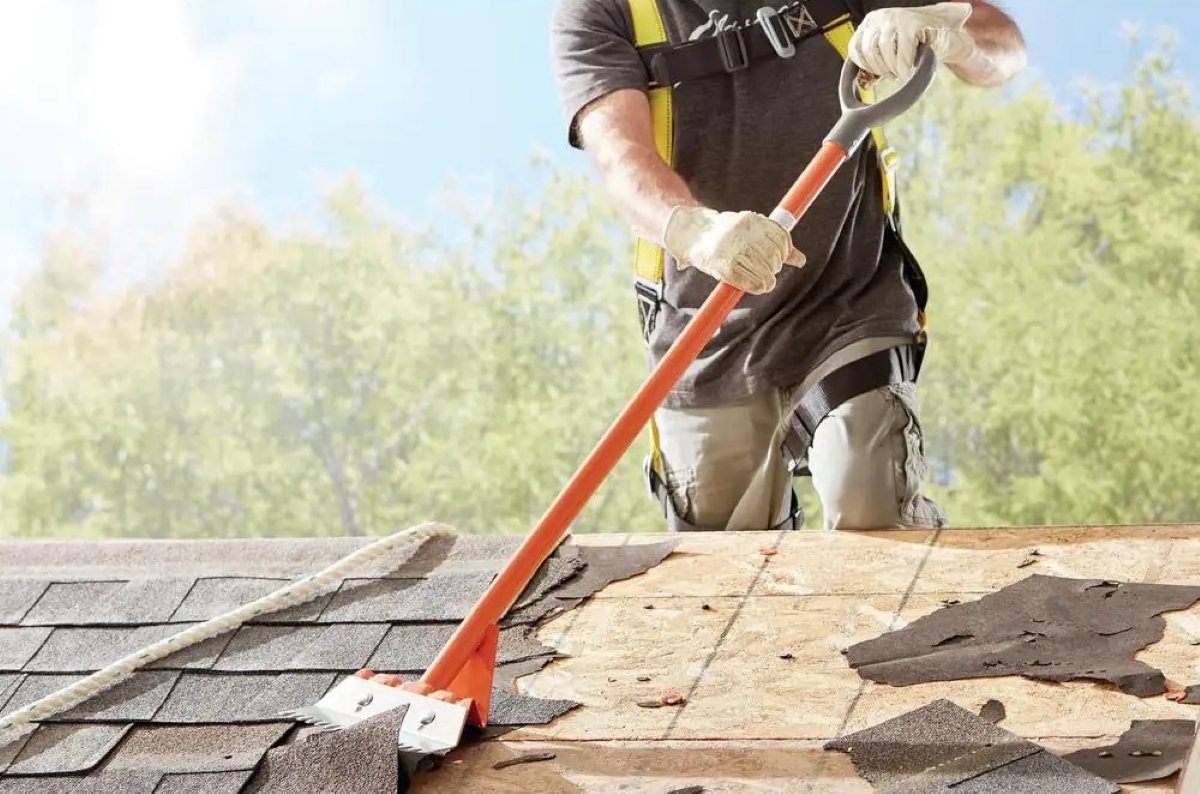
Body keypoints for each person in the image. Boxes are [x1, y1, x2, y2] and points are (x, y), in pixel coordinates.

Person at [549, 1, 1026, 532]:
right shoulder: (601, 12)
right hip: (707, 327)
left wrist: (948, 29)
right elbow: (620, 156)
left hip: (846, 293)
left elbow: (1003, 48)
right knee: (721, 570)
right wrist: (696, 230)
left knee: (870, 499)